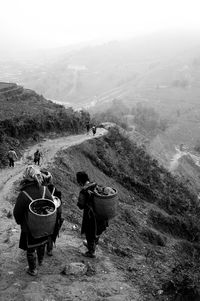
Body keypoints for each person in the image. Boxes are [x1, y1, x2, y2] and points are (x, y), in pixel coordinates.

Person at [13, 165, 54, 276]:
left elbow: (17, 212)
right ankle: (40, 261)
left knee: (31, 249)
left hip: (30, 227)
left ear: (26, 177)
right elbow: (52, 205)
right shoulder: (45, 190)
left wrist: (20, 222)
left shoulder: (24, 194)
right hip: (45, 224)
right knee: (42, 244)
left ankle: (33, 269)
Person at [76, 171, 108, 258]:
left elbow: (81, 205)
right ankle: (94, 244)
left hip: (91, 216)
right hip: (101, 214)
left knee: (89, 232)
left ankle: (91, 252)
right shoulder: (95, 185)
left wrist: (79, 202)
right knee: (97, 230)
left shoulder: (84, 191)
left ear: (80, 181)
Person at [40, 169, 63, 256]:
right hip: (52, 216)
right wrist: (59, 217)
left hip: (40, 215)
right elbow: (59, 207)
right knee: (51, 232)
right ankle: (49, 249)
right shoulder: (56, 191)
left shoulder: (38, 190)